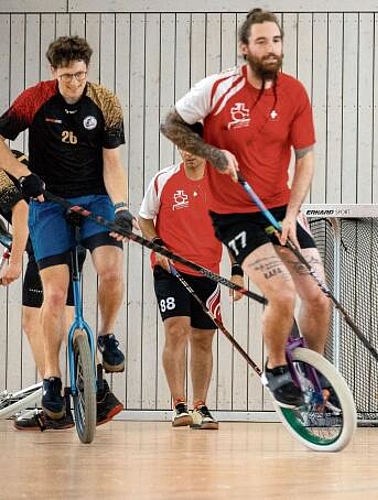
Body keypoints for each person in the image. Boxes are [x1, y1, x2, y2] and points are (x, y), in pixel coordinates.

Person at [160, 8, 331, 407]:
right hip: (235, 214)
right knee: (284, 295)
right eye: (261, 42)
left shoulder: (294, 93)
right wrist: (212, 153)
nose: (271, 49)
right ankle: (274, 369)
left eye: (276, 41)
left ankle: (315, 378)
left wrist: (291, 214)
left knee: (319, 298)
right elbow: (171, 125)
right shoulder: (216, 90)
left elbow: (305, 158)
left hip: (279, 210)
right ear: (244, 48)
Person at [0, 36, 134, 424]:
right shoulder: (35, 99)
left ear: (87, 71)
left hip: (95, 199)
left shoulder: (105, 102)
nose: (74, 83)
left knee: (111, 270)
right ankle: (52, 378)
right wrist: (24, 176)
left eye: (80, 75)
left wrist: (122, 207)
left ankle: (107, 335)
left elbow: (112, 163)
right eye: (66, 76)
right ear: (53, 72)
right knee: (55, 297)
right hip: (48, 205)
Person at [0, 151, 122, 431]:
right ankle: (99, 391)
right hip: (68, 224)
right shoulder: (15, 158)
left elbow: (21, 210)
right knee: (65, 315)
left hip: (46, 235)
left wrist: (16, 262)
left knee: (33, 321)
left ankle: (53, 401)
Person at [139, 123, 242, 430]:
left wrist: (236, 271)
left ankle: (200, 406)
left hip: (207, 272)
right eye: (183, 147)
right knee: (176, 330)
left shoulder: (221, 185)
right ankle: (179, 404)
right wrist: (158, 247)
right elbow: (145, 219)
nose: (188, 154)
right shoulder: (164, 180)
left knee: (203, 338)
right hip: (170, 269)